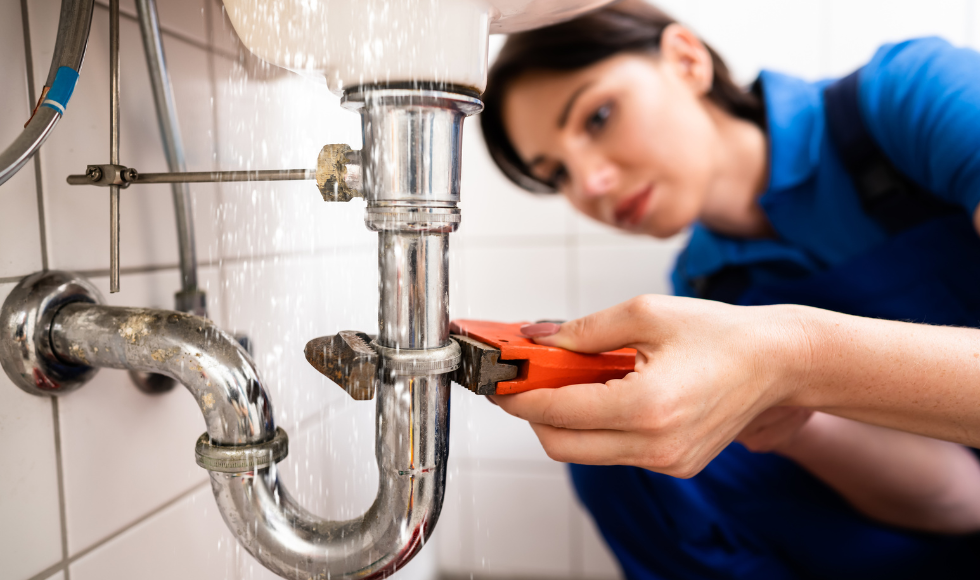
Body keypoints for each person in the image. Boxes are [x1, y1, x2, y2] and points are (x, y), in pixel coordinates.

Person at [477, 1, 980, 577]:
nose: (591, 184)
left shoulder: (914, 95)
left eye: (598, 117)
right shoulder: (703, 289)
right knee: (626, 454)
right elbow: (964, 502)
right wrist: (795, 427)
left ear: (686, 60)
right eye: (557, 173)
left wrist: (795, 356)